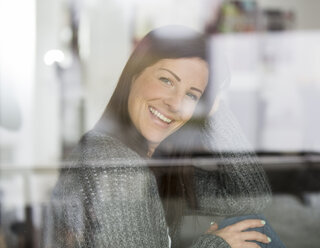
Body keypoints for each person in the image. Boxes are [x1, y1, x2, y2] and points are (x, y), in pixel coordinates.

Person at [45, 25, 283, 248]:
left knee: (249, 223)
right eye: (167, 80)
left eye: (192, 95)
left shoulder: (156, 166)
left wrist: (216, 110)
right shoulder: (116, 164)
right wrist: (215, 244)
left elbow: (252, 197)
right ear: (133, 75)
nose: (175, 103)